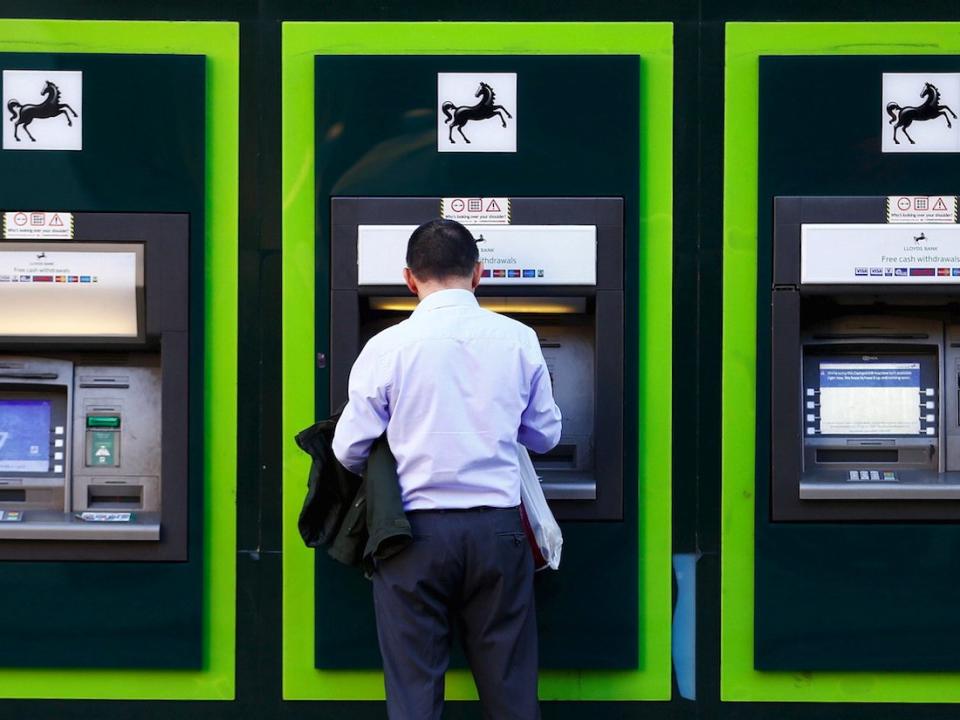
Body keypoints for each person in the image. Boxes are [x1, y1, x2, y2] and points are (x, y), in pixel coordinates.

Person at [332, 218, 562, 719]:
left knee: (414, 691)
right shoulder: (518, 338)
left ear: (409, 279)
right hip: (498, 533)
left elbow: (349, 448)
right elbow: (546, 436)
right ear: (478, 274)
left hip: (411, 536)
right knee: (511, 686)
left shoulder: (386, 347)